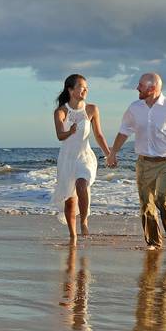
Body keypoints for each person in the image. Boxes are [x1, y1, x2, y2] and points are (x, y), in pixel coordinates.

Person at [106, 73, 166, 250]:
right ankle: (154, 243)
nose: (137, 88)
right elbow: (124, 131)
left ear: (152, 89)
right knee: (146, 204)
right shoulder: (134, 108)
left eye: (140, 85)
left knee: (163, 199)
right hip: (144, 162)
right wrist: (113, 153)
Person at [52, 74, 111, 245]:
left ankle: (84, 220)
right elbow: (59, 136)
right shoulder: (61, 112)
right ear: (70, 90)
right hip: (67, 159)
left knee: (81, 183)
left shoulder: (91, 109)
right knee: (70, 201)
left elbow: (99, 135)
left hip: (84, 156)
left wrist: (109, 154)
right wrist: (69, 132)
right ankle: (73, 236)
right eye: (81, 86)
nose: (85, 89)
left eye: (86, 87)